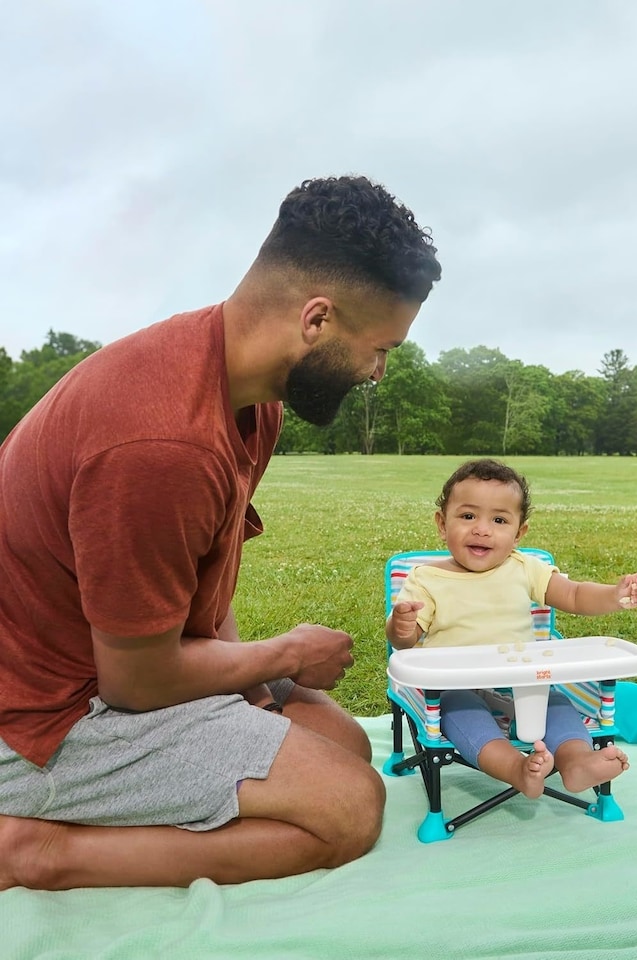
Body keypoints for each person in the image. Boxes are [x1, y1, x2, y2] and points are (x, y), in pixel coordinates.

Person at [0, 175, 441, 890]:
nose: (379, 373)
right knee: (351, 808)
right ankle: (36, 851)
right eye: (380, 348)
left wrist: (258, 696)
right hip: (44, 714)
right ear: (317, 320)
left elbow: (201, 582)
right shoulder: (162, 445)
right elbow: (137, 682)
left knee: (346, 745)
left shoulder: (246, 390)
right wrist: (287, 654)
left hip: (110, 663)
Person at [386, 459, 637, 800]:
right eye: (468, 516)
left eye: (499, 520)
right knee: (461, 713)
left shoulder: (524, 567)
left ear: (519, 533)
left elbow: (573, 594)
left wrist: (614, 596)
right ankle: (515, 769)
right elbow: (404, 642)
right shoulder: (426, 578)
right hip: (455, 683)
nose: (482, 529)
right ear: (442, 524)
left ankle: (577, 762)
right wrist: (402, 624)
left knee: (557, 705)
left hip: (523, 681)